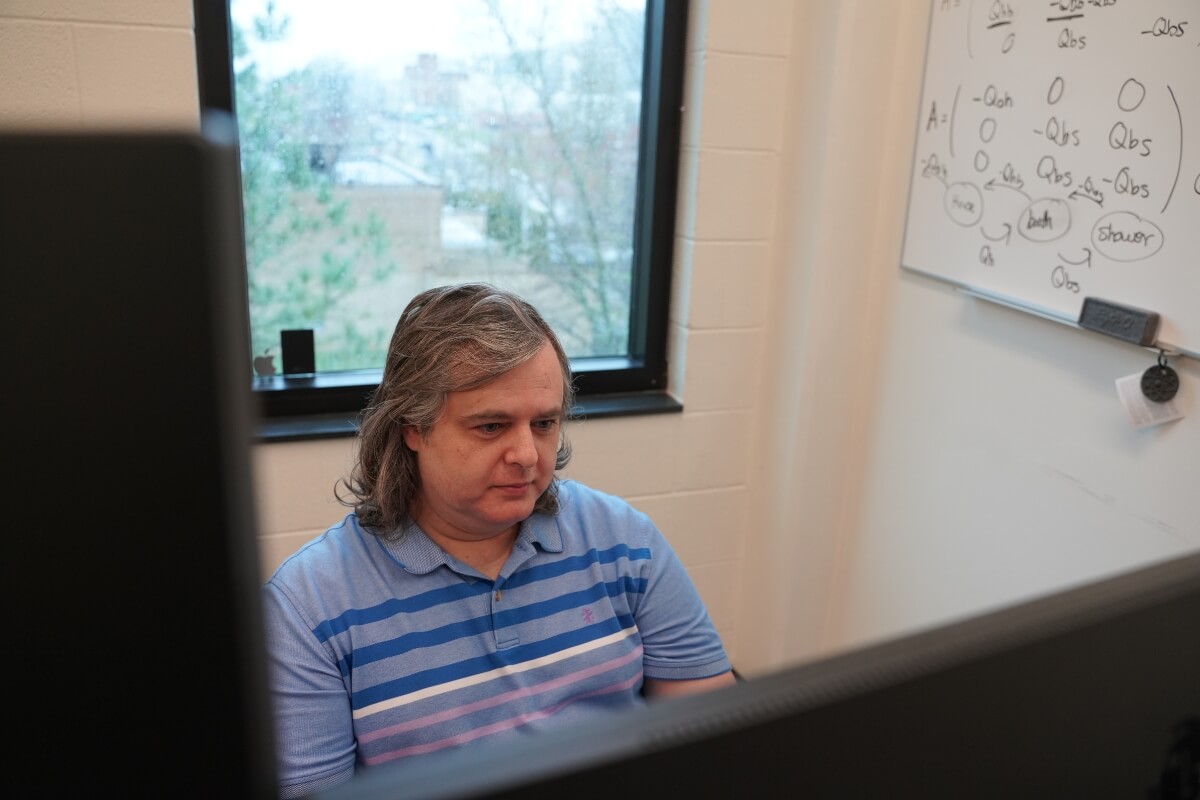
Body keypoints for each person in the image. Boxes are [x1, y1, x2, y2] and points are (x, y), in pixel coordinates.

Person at [262, 282, 735, 798]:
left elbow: (716, 741)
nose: (528, 455)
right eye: (491, 426)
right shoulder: (308, 606)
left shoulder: (624, 540)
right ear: (412, 428)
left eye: (544, 424)